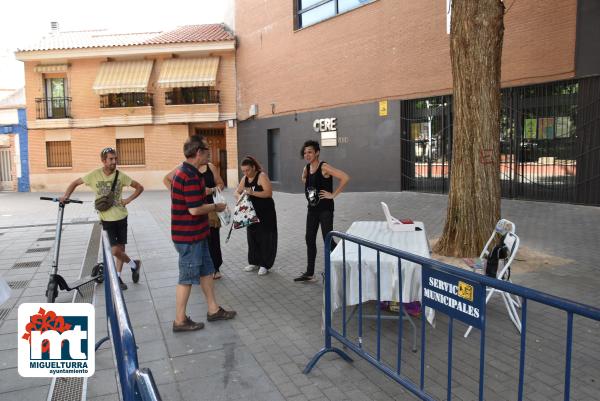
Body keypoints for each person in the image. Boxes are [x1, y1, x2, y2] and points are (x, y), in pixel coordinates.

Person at [170, 135, 236, 332]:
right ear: (198, 153)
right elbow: (194, 209)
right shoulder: (188, 175)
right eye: (207, 152)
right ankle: (180, 320)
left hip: (198, 234)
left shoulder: (189, 173)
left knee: (207, 271)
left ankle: (213, 310)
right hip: (189, 237)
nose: (209, 156)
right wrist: (217, 206)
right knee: (187, 277)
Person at [60, 147, 144, 290]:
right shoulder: (94, 175)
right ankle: (134, 265)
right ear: (103, 161)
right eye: (111, 159)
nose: (114, 161)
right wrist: (66, 196)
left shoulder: (121, 176)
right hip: (106, 218)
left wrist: (127, 200)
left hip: (121, 216)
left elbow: (139, 187)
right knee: (115, 251)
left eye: (115, 158)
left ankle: (118, 277)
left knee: (121, 249)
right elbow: (74, 183)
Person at [295, 140, 349, 282]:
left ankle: (344, 263)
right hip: (312, 210)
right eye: (305, 152)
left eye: (310, 152)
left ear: (317, 152)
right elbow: (305, 180)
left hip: (325, 209)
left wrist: (333, 194)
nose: (307, 154)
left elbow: (345, 177)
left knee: (327, 239)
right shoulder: (307, 168)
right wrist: (306, 179)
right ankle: (309, 273)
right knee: (309, 238)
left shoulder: (324, 167)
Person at [164, 160, 225, 280]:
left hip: (210, 208)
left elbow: (221, 184)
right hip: (193, 210)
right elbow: (166, 179)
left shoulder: (210, 167)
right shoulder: (183, 168)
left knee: (213, 238)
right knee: (198, 241)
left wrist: (211, 190)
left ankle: (215, 268)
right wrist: (179, 194)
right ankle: (200, 269)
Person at [235, 156, 277, 276]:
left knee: (265, 238)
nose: (245, 173)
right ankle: (253, 262)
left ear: (253, 167)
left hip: (266, 212)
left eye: (247, 170)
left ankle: (265, 264)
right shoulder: (245, 178)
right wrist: (239, 197)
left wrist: (252, 193)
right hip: (251, 213)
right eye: (243, 171)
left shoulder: (261, 176)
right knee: (252, 237)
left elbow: (269, 193)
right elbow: (237, 191)